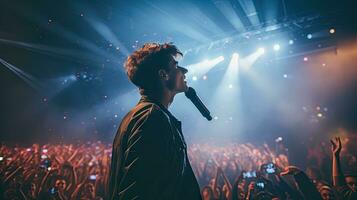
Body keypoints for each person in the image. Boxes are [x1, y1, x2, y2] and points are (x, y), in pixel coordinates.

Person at [107, 43, 202, 200]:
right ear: (163, 74)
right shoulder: (151, 118)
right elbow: (136, 192)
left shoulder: (145, 114)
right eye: (176, 66)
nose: (184, 70)